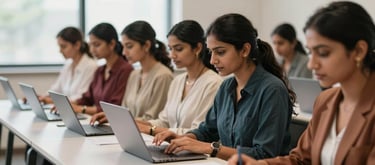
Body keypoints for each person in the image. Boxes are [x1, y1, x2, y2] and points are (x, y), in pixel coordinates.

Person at [227, 1, 375, 165]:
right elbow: (301, 159)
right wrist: (261, 164)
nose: (312, 64)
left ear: (359, 51)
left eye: (323, 53)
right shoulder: (325, 100)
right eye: (311, 52)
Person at [155, 14, 296, 160]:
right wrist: (183, 138)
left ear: (244, 50)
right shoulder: (227, 87)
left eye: (220, 52)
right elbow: (208, 131)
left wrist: (211, 148)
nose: (212, 60)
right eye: (211, 52)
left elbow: (264, 153)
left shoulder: (272, 90)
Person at [134, 20, 223, 135]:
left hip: (193, 150)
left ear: (197, 48)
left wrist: (152, 130)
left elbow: (199, 132)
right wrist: (137, 123)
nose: (172, 55)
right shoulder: (178, 81)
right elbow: (164, 121)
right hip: (171, 147)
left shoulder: (213, 84)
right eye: (170, 49)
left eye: (179, 49)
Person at [90, 20, 174, 123]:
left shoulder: (163, 76)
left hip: (149, 136)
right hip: (130, 131)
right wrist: (113, 117)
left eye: (129, 46)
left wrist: (119, 119)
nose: (124, 52)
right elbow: (125, 111)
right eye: (124, 46)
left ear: (146, 45)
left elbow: (153, 119)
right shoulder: (134, 74)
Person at [71, 23, 133, 115]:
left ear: (112, 44)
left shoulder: (126, 70)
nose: (92, 50)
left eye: (96, 45)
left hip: (111, 123)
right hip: (97, 122)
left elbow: (115, 108)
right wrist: (70, 104)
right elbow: (87, 98)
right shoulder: (100, 70)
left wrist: (81, 109)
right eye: (90, 45)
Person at [28, 27, 97, 104]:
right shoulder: (68, 65)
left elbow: (81, 98)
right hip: (65, 109)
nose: (60, 51)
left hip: (79, 110)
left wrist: (51, 101)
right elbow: (56, 89)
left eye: (63, 46)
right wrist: (41, 97)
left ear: (77, 45)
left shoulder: (91, 66)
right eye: (59, 46)